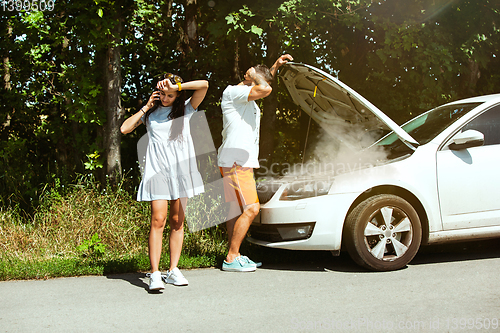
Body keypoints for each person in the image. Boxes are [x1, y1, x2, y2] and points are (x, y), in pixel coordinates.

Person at [121, 73, 209, 290]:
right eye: (163, 93)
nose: (167, 97)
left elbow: (204, 85)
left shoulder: (185, 109)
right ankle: (155, 274)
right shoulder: (150, 114)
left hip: (182, 173)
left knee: (178, 221)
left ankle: (173, 270)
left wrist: (177, 86)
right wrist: (146, 106)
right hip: (157, 172)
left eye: (171, 94)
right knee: (158, 220)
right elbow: (124, 128)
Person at [218, 54, 293, 272]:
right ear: (250, 77)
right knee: (252, 208)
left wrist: (275, 66)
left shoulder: (246, 94)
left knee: (235, 210)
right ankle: (232, 258)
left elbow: (264, 83)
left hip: (235, 159)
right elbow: (265, 88)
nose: (265, 85)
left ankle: (234, 254)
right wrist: (253, 74)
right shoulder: (234, 91)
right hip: (236, 160)